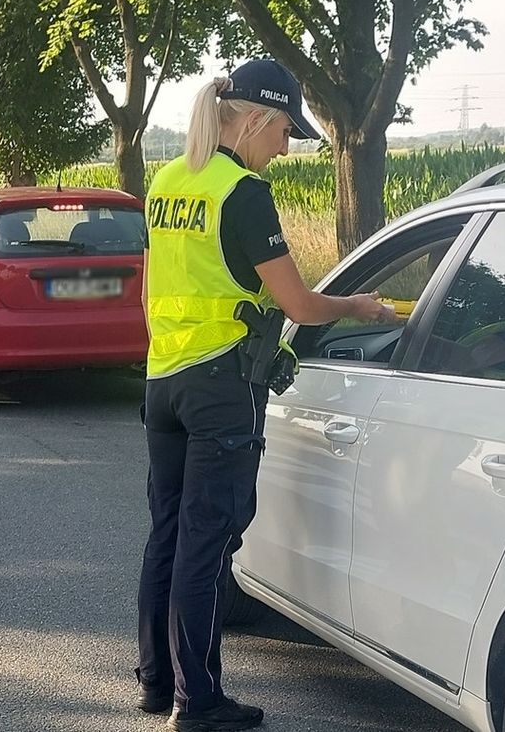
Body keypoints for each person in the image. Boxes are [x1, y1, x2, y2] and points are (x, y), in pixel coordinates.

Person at [136, 59, 391, 732]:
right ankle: (199, 704)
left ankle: (157, 682)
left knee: (166, 534)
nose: (285, 147)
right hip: (221, 387)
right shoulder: (241, 192)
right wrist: (359, 307)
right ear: (253, 120)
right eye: (283, 132)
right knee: (205, 545)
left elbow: (154, 286)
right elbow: (301, 305)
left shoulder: (167, 180)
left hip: (163, 378)